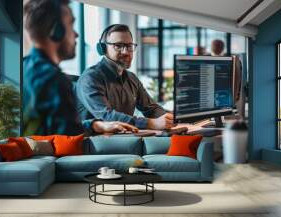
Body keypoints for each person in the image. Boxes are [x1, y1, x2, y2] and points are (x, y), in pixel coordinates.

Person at [23, 0, 138, 136]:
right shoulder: (53, 80)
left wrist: (96, 125)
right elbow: (67, 138)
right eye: (71, 25)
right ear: (57, 31)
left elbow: (56, 130)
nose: (76, 34)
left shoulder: (27, 69)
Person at [75, 24, 174, 130]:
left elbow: (151, 108)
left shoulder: (131, 78)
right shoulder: (90, 78)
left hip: (124, 140)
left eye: (129, 46)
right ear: (103, 48)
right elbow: (107, 117)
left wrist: (170, 119)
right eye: (118, 46)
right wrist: (151, 124)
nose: (126, 52)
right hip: (94, 143)